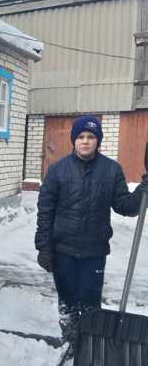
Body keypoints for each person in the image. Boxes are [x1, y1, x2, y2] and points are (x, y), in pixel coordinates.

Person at [35, 115, 148, 348]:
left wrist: (143, 189)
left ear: (98, 141)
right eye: (81, 137)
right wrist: (44, 246)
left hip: (94, 250)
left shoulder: (112, 170)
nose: (85, 141)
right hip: (63, 249)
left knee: (89, 300)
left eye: (91, 137)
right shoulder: (57, 171)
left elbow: (125, 206)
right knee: (67, 299)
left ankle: (88, 344)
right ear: (73, 140)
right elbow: (45, 211)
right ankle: (69, 340)